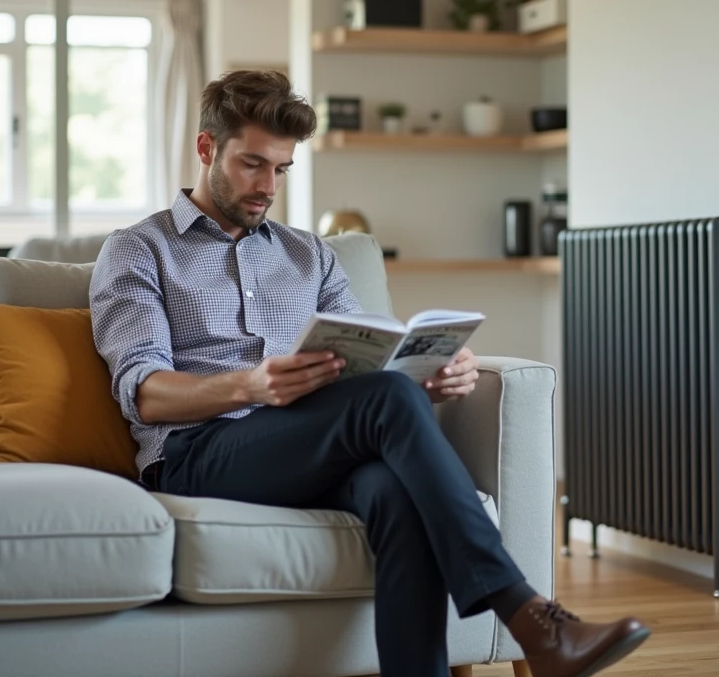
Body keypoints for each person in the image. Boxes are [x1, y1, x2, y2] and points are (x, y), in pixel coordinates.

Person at [90, 71, 649, 677]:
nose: (266, 186)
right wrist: (251, 385)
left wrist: (424, 377)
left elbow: (369, 362)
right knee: (383, 405)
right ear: (206, 149)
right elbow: (142, 392)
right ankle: (529, 617)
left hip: (309, 442)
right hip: (198, 452)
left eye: (280, 169)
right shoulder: (138, 249)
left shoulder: (311, 254)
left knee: (392, 491)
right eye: (252, 164)